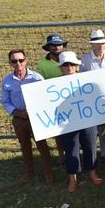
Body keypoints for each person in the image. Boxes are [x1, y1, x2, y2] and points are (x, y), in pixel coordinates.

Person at [0, 49, 53, 183]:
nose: (18, 63)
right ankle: (29, 172)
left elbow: (45, 97)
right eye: (14, 61)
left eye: (21, 60)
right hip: (18, 118)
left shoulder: (37, 78)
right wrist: (16, 112)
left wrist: (35, 110)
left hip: (35, 118)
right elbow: (5, 101)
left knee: (42, 145)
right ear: (10, 63)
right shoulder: (7, 81)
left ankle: (48, 172)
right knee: (25, 146)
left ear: (26, 60)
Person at [56, 51, 103, 193]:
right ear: (61, 68)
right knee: (71, 149)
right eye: (65, 65)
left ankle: (92, 172)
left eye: (71, 64)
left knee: (90, 145)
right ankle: (73, 177)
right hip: (67, 124)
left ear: (76, 66)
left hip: (88, 119)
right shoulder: (54, 86)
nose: (69, 67)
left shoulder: (86, 80)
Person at [80, 29, 105, 163]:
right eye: (97, 43)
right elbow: (82, 80)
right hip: (96, 100)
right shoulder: (85, 60)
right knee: (102, 128)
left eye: (102, 43)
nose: (100, 45)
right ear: (92, 45)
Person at [35, 33, 67, 164]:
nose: (56, 47)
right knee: (58, 130)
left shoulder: (69, 58)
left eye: (59, 44)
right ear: (48, 47)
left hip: (71, 99)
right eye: (53, 45)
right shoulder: (42, 64)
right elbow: (39, 83)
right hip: (53, 101)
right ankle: (62, 154)